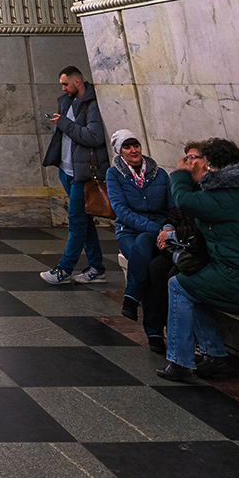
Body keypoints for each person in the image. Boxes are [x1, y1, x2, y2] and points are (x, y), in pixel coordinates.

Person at [158, 138, 239, 383]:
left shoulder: (229, 195)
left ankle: (180, 361)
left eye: (196, 160)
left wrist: (180, 174)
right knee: (193, 283)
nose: (191, 164)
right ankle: (214, 355)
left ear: (210, 166)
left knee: (178, 285)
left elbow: (184, 201)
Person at [104, 128, 171, 355]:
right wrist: (154, 227)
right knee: (147, 262)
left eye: (136, 145)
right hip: (129, 231)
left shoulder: (160, 174)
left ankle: (132, 297)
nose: (134, 150)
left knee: (148, 259)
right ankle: (154, 331)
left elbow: (171, 208)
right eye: (127, 146)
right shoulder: (113, 175)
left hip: (157, 232)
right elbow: (121, 210)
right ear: (120, 151)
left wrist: (165, 228)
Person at [41, 65, 109, 284]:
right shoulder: (66, 101)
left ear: (77, 81)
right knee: (85, 221)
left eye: (65, 83)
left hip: (83, 173)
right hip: (67, 170)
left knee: (77, 220)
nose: (63, 88)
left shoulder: (92, 105)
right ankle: (97, 267)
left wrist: (64, 122)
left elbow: (94, 137)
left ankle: (64, 269)